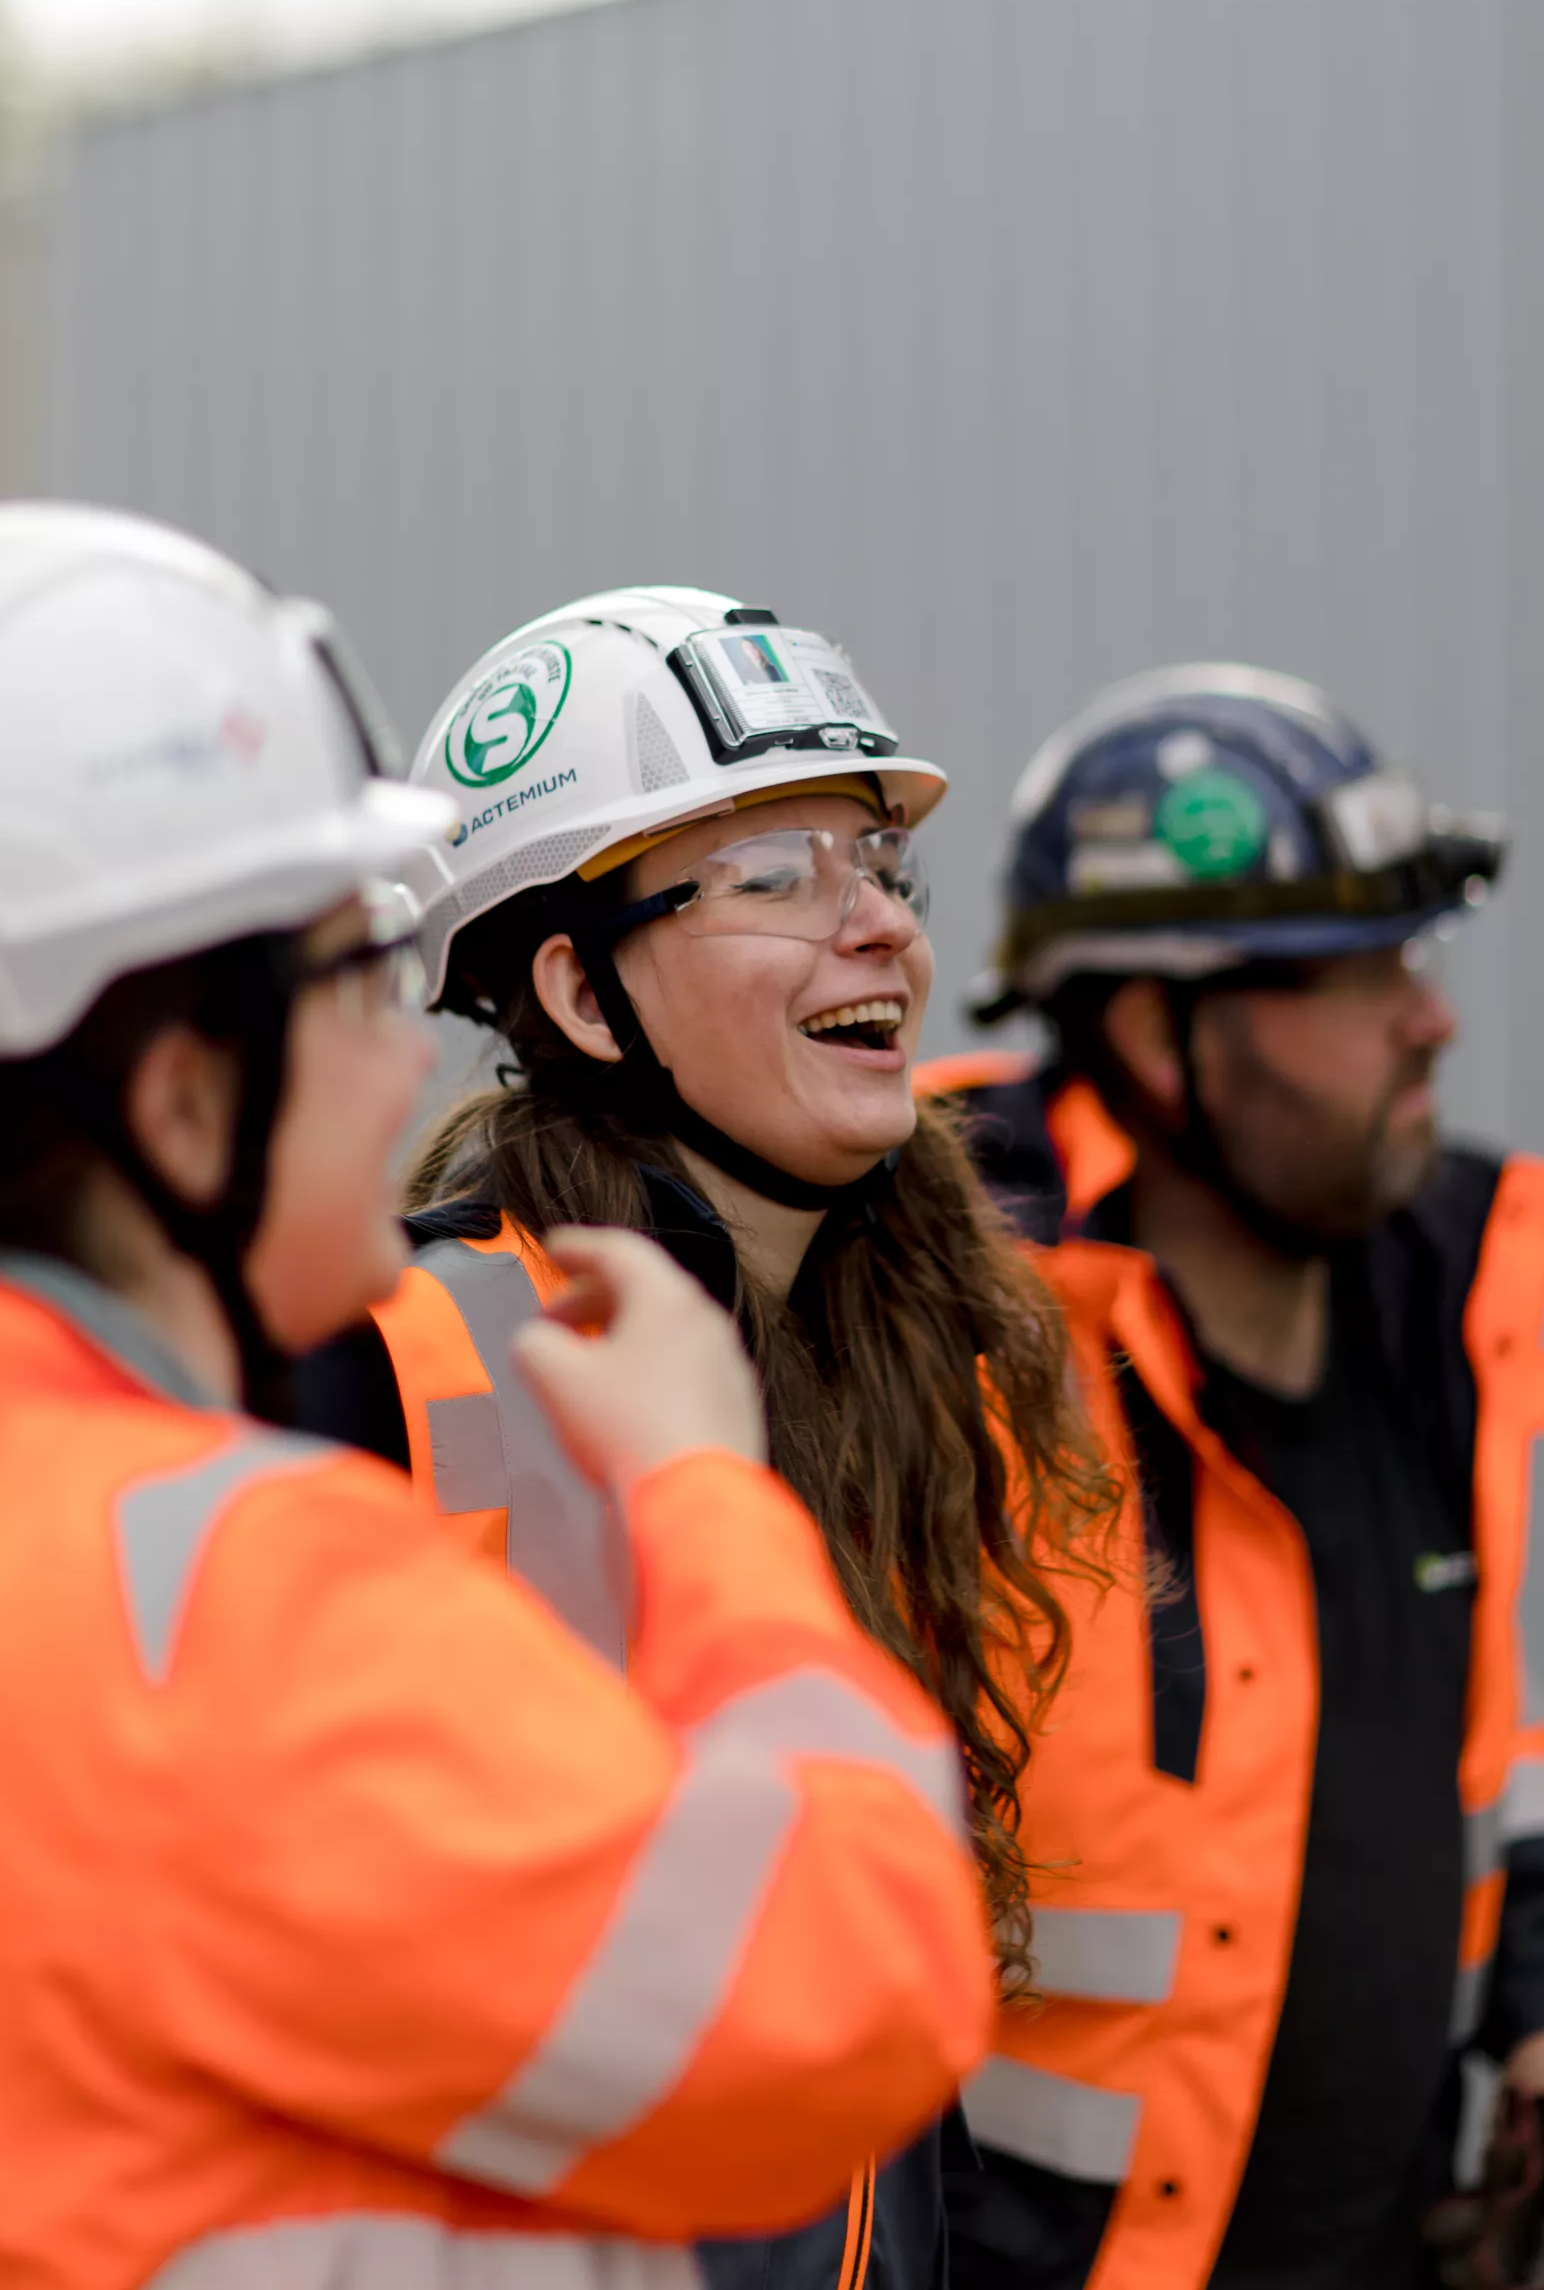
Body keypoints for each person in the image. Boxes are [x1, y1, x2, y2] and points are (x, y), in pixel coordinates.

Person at [0, 507, 996, 2290]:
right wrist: (704, 1499)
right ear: (187, 1106)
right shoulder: (219, 1579)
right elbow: (849, 1988)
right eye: (359, 976)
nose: (414, 1046)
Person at [291, 584, 1119, 2290]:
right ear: (582, 996)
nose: (878, 925)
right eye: (775, 875)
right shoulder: (387, 1364)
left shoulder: (901, 1378)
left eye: (876, 866)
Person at [916, 662, 1544, 2290]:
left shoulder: (1469, 1292)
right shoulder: (927, 1294)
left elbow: (1492, 1761)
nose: (1434, 1017)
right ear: (1159, 1032)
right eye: (1362, 971)